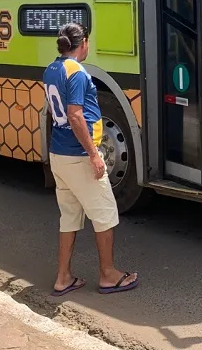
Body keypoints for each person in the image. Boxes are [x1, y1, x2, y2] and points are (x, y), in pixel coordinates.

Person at [43, 23, 139, 297]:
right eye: (88, 41)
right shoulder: (79, 74)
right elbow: (75, 115)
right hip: (79, 155)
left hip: (59, 154)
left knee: (70, 217)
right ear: (83, 42)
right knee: (105, 214)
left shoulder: (51, 69)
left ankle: (63, 277)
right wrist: (94, 154)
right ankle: (109, 275)